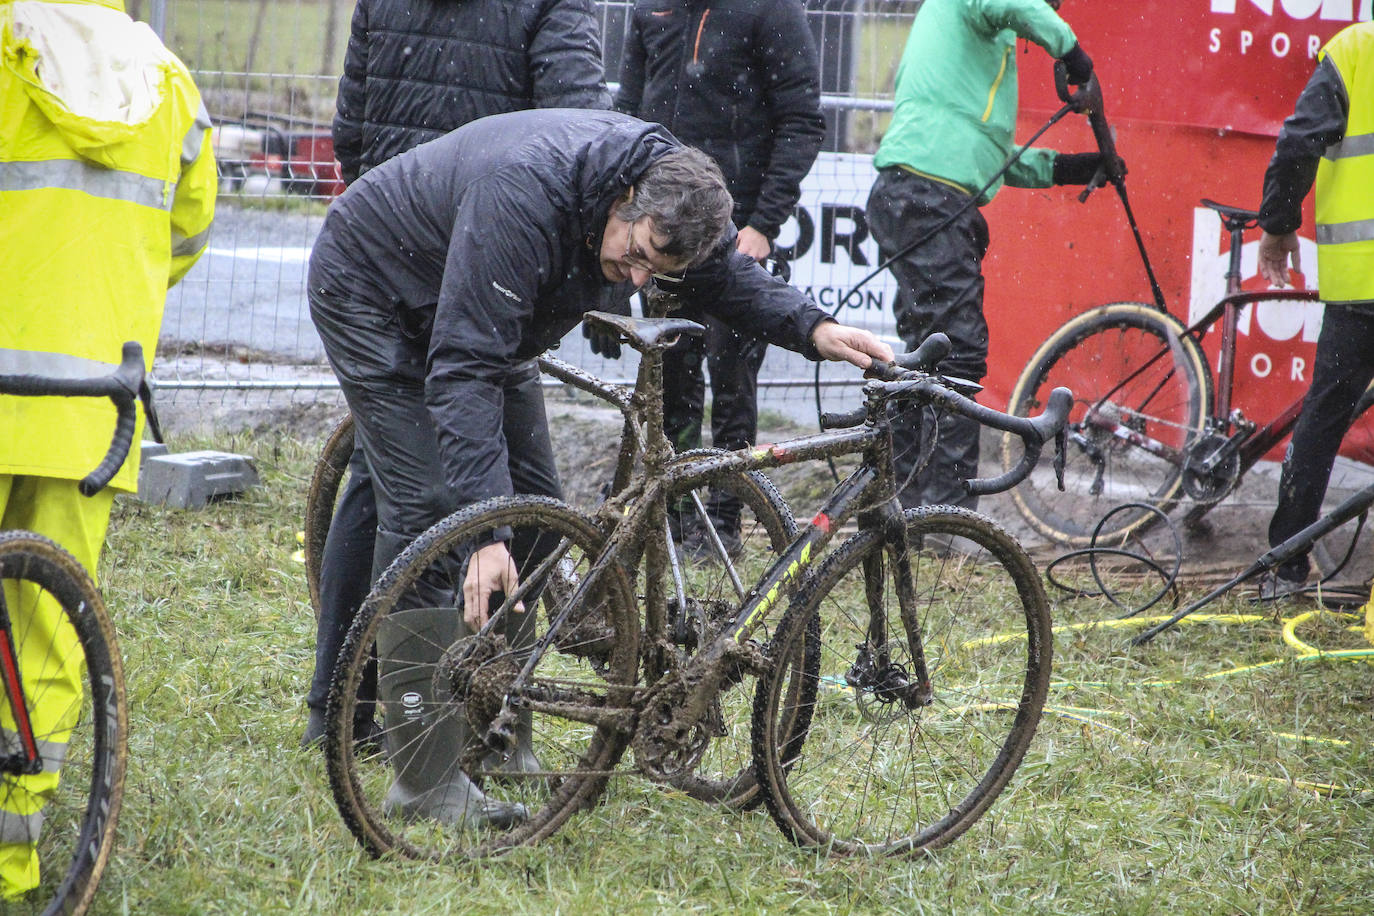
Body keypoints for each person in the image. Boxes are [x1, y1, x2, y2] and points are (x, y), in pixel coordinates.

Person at [307, 108, 893, 827]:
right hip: (374, 288)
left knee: (536, 514)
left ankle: (492, 728)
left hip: (492, 314)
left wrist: (815, 327)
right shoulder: (524, 195)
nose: (639, 277)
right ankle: (422, 782)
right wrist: (482, 534)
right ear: (624, 198)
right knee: (431, 506)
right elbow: (463, 368)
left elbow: (726, 278)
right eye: (638, 253)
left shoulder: (670, 198)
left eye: (658, 270)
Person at [301, 0, 614, 751]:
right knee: (456, 504)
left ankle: (348, 712)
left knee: (397, 488)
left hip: (412, 234)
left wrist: (409, 203)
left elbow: (353, 127)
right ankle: (461, 725)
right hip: (487, 255)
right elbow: (578, 128)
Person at [0, 0, 216, 898]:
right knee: (47, 633)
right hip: (93, 404)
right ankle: (11, 861)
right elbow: (189, 232)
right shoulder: (165, 77)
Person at [866, 0, 1109, 511]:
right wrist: (1074, 56)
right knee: (956, 354)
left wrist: (1068, 167)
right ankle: (943, 515)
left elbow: (987, 156)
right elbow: (1019, 8)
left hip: (924, 194)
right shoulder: (978, 8)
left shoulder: (978, 46)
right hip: (929, 197)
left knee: (928, 352)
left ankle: (904, 498)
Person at [613, 0, 825, 557]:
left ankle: (725, 522)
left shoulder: (771, 10)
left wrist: (761, 224)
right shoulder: (650, 8)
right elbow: (627, 113)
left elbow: (802, 121)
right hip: (660, 234)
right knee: (672, 384)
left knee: (733, 384)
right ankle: (679, 521)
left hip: (738, 238)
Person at [1256, 22, 1374, 600]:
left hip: (1361, 286)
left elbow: (1300, 142)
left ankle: (1285, 568)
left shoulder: (1355, 50)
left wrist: (1278, 226)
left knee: (1323, 421)